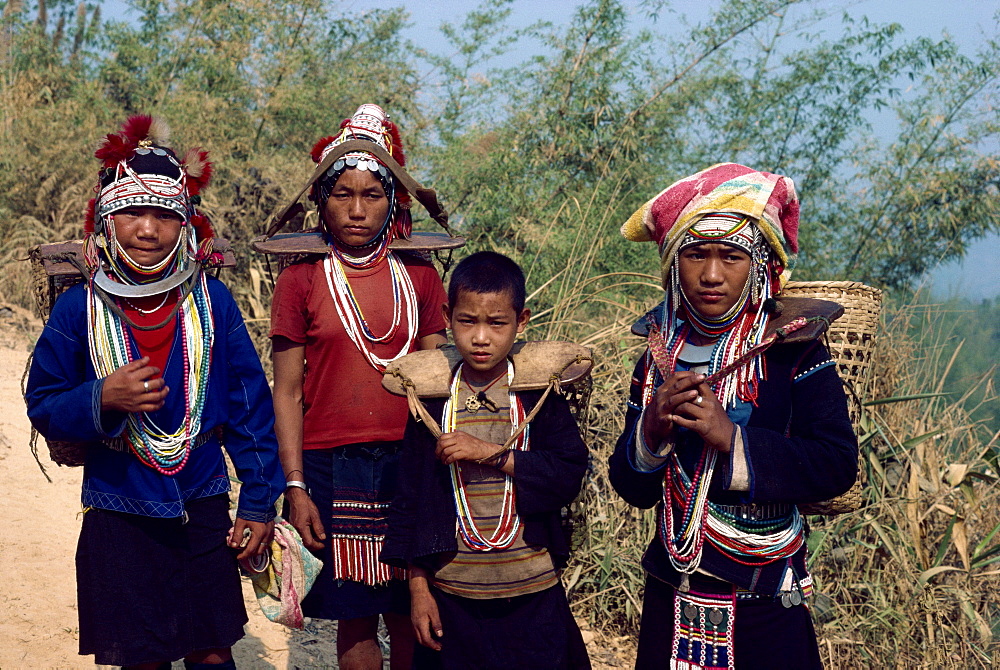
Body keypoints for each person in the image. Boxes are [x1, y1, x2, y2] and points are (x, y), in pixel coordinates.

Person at [25, 116, 284, 669]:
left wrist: (259, 503)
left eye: (165, 215)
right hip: (119, 505)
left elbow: (249, 407)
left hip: (204, 499)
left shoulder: (212, 302)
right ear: (106, 221)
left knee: (212, 648)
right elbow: (44, 401)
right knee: (140, 654)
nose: (148, 230)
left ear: (187, 224)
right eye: (132, 214)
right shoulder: (79, 309)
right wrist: (101, 398)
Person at [608, 163, 858, 669]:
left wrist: (733, 439)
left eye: (732, 256)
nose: (712, 275)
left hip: (765, 604)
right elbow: (632, 489)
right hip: (671, 594)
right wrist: (651, 431)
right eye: (695, 255)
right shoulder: (656, 356)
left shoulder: (794, 350)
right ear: (672, 264)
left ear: (761, 263)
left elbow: (836, 463)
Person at [269, 104, 448, 670]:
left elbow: (441, 380)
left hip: (411, 457)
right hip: (327, 463)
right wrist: (295, 486)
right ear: (321, 201)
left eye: (372, 194)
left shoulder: (420, 277)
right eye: (341, 194)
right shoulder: (300, 279)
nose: (356, 209)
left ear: (392, 202)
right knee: (355, 613)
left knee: (411, 603)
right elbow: (288, 392)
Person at [381, 251, 591, 670]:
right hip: (452, 594)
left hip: (532, 592)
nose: (481, 337)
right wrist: (419, 591)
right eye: (467, 321)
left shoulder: (538, 395)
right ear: (446, 317)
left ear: (522, 321)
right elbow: (410, 498)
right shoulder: (432, 402)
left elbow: (569, 473)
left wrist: (492, 454)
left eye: (497, 323)